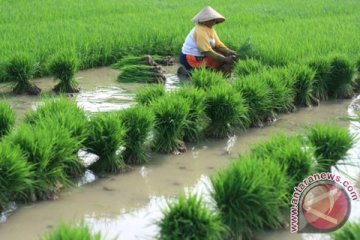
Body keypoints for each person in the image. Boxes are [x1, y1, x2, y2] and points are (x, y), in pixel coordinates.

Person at [179, 6, 237, 76]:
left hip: (202, 56)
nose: (214, 22)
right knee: (206, 73)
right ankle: (188, 73)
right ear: (206, 20)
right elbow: (206, 51)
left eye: (215, 20)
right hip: (191, 58)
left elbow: (218, 45)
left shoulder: (210, 29)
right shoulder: (200, 30)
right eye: (212, 20)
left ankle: (220, 77)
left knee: (227, 56)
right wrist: (224, 59)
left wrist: (230, 52)